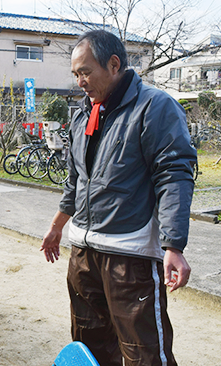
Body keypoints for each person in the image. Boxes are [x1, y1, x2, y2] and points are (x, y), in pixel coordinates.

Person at [40, 30, 196, 366]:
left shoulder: (154, 107)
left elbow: (174, 174)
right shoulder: (84, 113)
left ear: (114, 65)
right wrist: (56, 227)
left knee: (144, 351)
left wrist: (173, 246)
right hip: (82, 252)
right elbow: (76, 179)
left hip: (130, 255)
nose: (80, 81)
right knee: (89, 344)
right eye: (76, 74)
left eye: (85, 72)